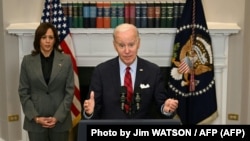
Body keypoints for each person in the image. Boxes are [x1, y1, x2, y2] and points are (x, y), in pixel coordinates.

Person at [83, 23, 178, 119]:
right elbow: (93, 108)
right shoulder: (101, 72)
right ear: (115, 46)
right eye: (121, 45)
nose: (127, 51)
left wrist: (166, 109)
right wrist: (89, 112)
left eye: (131, 45)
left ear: (138, 43)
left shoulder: (153, 71)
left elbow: (161, 106)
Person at [18, 22, 74, 141]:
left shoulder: (66, 60)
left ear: (55, 40)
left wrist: (58, 117)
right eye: (44, 37)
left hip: (60, 121)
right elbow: (23, 92)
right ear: (38, 40)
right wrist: (35, 117)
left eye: (51, 37)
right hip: (35, 122)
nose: (47, 41)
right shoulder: (27, 61)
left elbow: (70, 91)